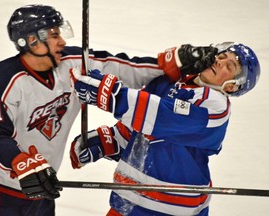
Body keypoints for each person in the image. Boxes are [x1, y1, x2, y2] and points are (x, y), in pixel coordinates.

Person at [0, 4, 218, 216]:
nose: (62, 41)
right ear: (32, 41)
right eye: (54, 35)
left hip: (45, 183)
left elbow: (127, 68)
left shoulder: (73, 60)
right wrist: (20, 162)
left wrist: (173, 62)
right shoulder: (3, 79)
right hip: (2, 185)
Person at [70, 42, 260, 215]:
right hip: (127, 202)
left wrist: (113, 96)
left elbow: (159, 116)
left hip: (173, 209)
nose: (220, 62)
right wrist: (110, 141)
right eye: (222, 57)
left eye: (230, 66)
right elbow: (141, 129)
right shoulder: (175, 82)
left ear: (232, 87)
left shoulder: (215, 108)